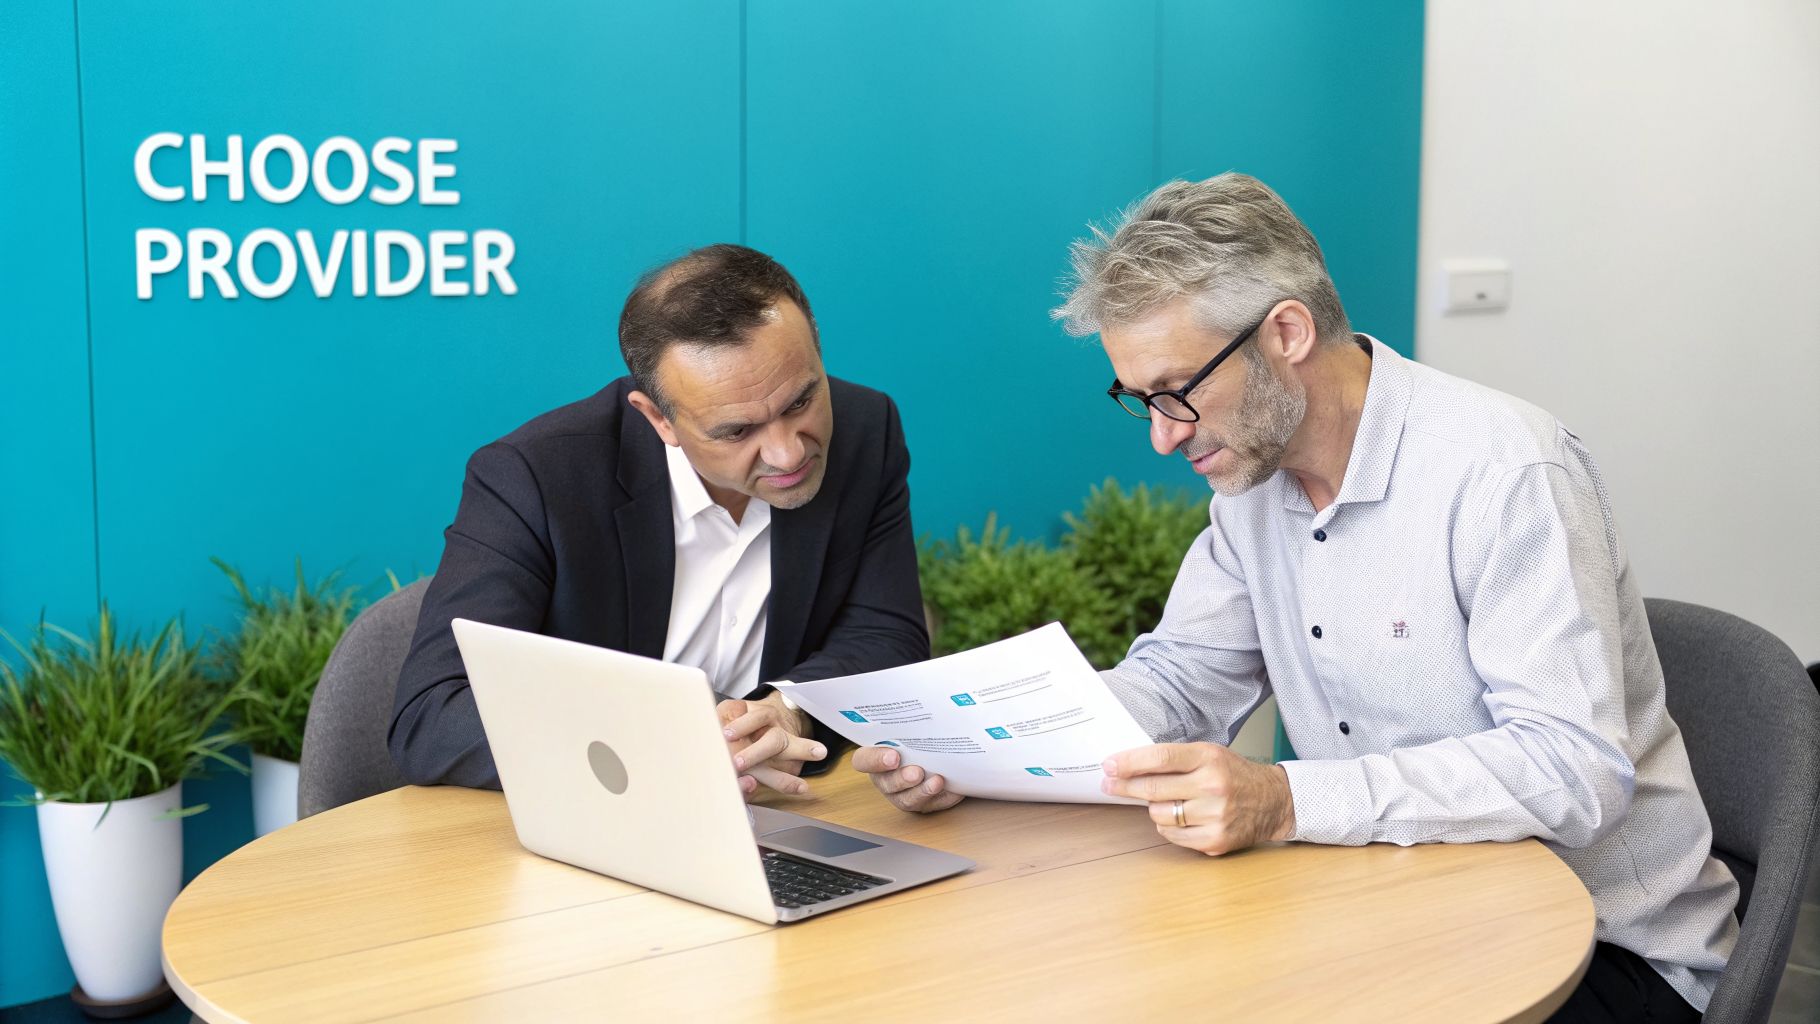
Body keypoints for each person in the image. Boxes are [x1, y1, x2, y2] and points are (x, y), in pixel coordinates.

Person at [854, 174, 1737, 1021]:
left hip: (1600, 947)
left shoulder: (1503, 472)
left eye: (1178, 394)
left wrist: (1286, 799)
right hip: (1388, 907)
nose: (1163, 438)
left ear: (1285, 333)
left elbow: (1572, 770)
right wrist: (974, 748)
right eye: (1139, 399)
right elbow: (1178, 685)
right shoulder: (1253, 488)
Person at [391, 244, 928, 798]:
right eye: (735, 432)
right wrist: (672, 743)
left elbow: (885, 635)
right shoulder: (533, 477)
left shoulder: (867, 429)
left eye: (801, 402)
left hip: (787, 814)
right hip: (601, 819)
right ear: (658, 419)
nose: (788, 454)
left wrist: (789, 710)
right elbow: (434, 712)